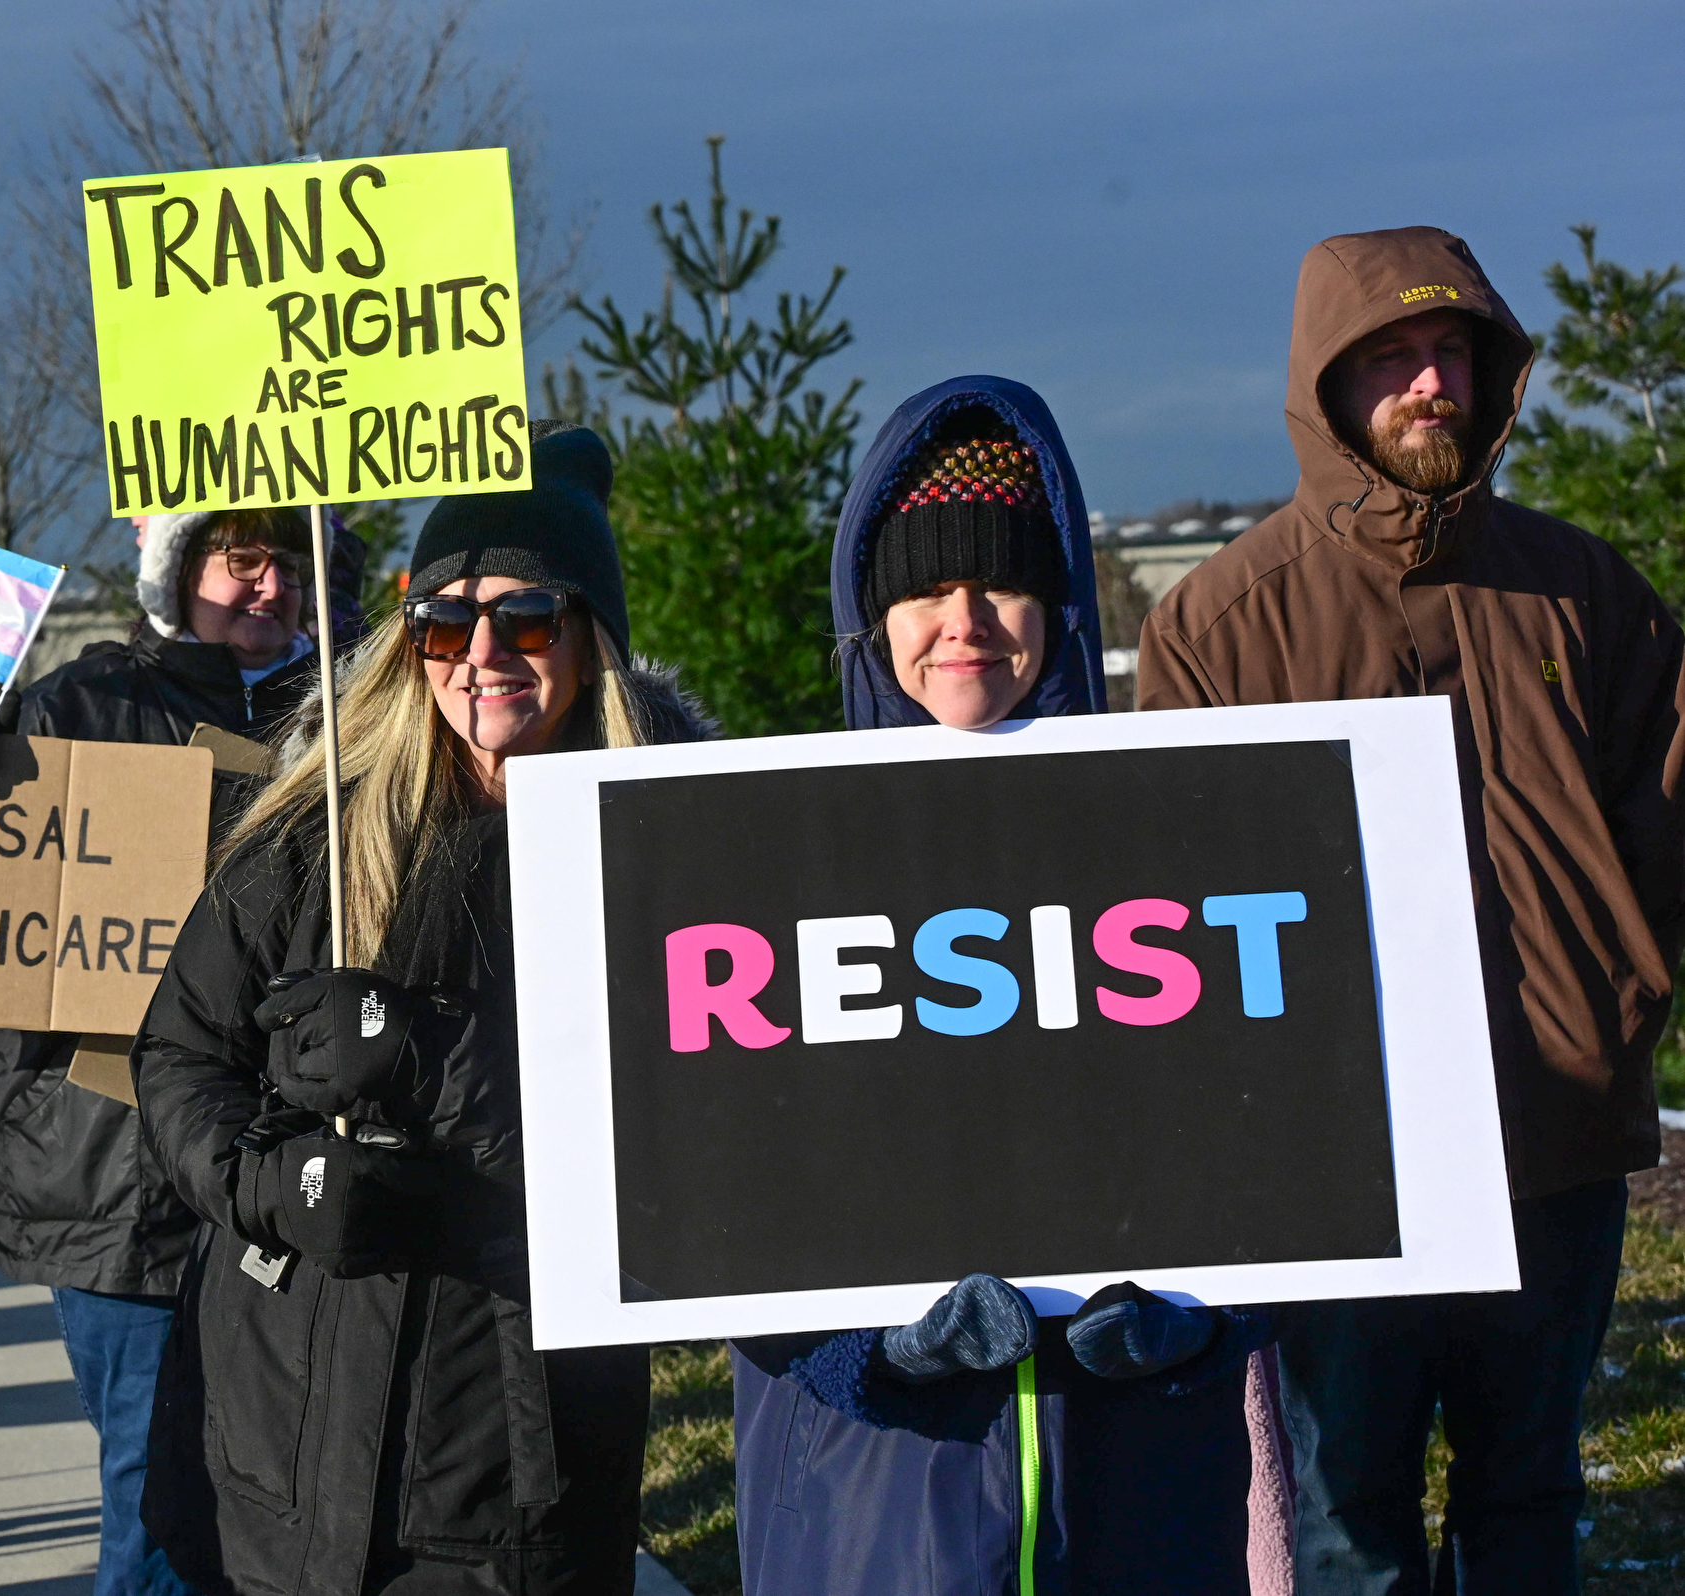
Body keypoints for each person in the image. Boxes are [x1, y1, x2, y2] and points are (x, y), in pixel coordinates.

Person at [1139, 227, 1685, 1594]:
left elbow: (1666, 828)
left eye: (1450, 352)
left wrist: (1617, 1000)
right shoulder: (1218, 622)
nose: (1427, 383)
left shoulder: (1586, 592)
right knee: (1345, 1519)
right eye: (1388, 359)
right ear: (1325, 390)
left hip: (1552, 1140)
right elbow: (1172, 905)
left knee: (1527, 1493)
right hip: (1342, 1172)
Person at [133, 423, 710, 1595]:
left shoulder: (662, 851)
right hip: (282, 1442)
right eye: (444, 619)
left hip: (510, 1462)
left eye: (527, 616)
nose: (480, 651)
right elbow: (179, 1057)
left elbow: (674, 1134)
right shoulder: (315, 835)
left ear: (591, 635)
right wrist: (280, 1186)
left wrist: (422, 1053)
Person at [721, 378, 1274, 1596]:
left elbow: (1291, 1169)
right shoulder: (769, 859)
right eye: (924, 585)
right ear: (874, 615)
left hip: (1130, 1499)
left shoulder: (1174, 848)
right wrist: (866, 1352)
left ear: (1058, 606)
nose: (961, 619)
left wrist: (1202, 1327)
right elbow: (712, 1202)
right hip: (876, 1505)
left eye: (1000, 582)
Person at [0, 506, 358, 1596]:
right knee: (161, 1505)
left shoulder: (350, 714)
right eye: (239, 561)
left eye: (287, 564)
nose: (268, 586)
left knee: (300, 1488)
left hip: (293, 1162)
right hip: (127, 1186)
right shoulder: (84, 704)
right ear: (178, 575)